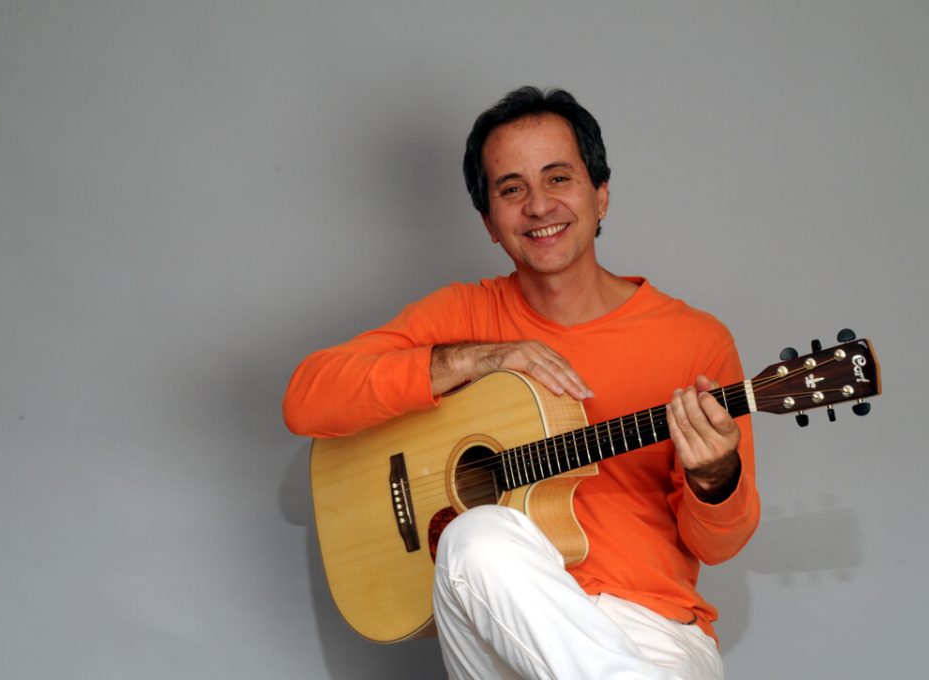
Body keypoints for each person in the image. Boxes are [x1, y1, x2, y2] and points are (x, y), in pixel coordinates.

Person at [283, 86, 760, 680]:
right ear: (489, 222)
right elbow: (306, 398)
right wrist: (474, 359)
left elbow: (718, 546)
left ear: (601, 194)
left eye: (558, 178)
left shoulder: (694, 340)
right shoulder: (464, 315)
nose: (538, 206)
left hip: (648, 627)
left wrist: (715, 477)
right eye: (511, 189)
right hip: (495, 626)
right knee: (476, 536)